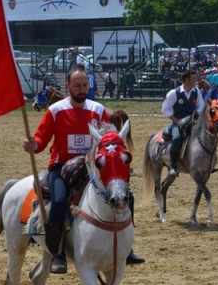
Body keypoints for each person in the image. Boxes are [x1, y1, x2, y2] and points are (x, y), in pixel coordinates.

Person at [22, 67, 146, 273]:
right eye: (77, 86)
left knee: (127, 197)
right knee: (60, 201)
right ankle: (57, 253)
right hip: (61, 168)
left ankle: (128, 249)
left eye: (85, 86)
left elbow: (108, 140)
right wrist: (34, 145)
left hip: (91, 167)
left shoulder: (97, 109)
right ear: (68, 86)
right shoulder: (55, 110)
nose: (81, 90)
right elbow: (41, 139)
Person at [161, 70, 205, 177]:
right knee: (177, 138)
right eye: (193, 78)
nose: (195, 80)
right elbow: (165, 109)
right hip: (178, 124)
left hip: (193, 122)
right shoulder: (174, 93)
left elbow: (201, 105)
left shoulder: (196, 91)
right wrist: (176, 120)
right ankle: (173, 166)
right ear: (186, 80)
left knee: (206, 135)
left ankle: (205, 163)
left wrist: (197, 114)